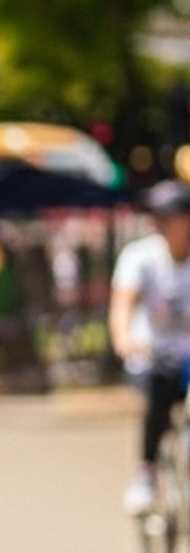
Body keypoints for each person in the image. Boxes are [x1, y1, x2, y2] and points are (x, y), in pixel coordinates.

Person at [110, 179, 190, 514]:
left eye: (169, 216)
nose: (161, 224)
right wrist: (124, 338)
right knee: (157, 402)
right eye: (157, 216)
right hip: (154, 352)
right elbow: (122, 303)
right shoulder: (140, 256)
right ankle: (146, 472)